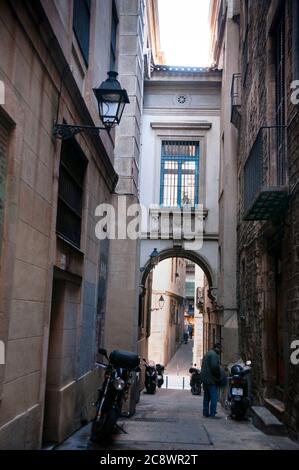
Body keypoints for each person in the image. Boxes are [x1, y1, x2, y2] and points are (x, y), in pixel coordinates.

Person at [201, 343, 222, 418]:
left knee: (206, 396)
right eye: (220, 349)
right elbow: (214, 367)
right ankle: (212, 413)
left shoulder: (208, 353)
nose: (220, 351)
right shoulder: (214, 355)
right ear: (217, 348)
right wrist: (218, 377)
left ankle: (205, 412)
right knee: (214, 397)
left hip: (205, 379)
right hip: (211, 379)